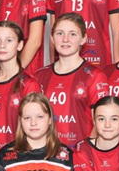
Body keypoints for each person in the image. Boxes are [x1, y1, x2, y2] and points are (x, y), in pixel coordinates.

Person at [34, 13, 106, 147]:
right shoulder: (39, 75)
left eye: (72, 34)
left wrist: (86, 153)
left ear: (83, 39)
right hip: (45, 154)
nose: (65, 39)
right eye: (60, 33)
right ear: (52, 38)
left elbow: (100, 124)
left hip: (79, 154)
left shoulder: (94, 76)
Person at [0, 21, 42, 156]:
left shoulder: (29, 85)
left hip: (17, 159)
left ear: (20, 45)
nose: (2, 45)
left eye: (9, 40)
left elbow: (36, 130)